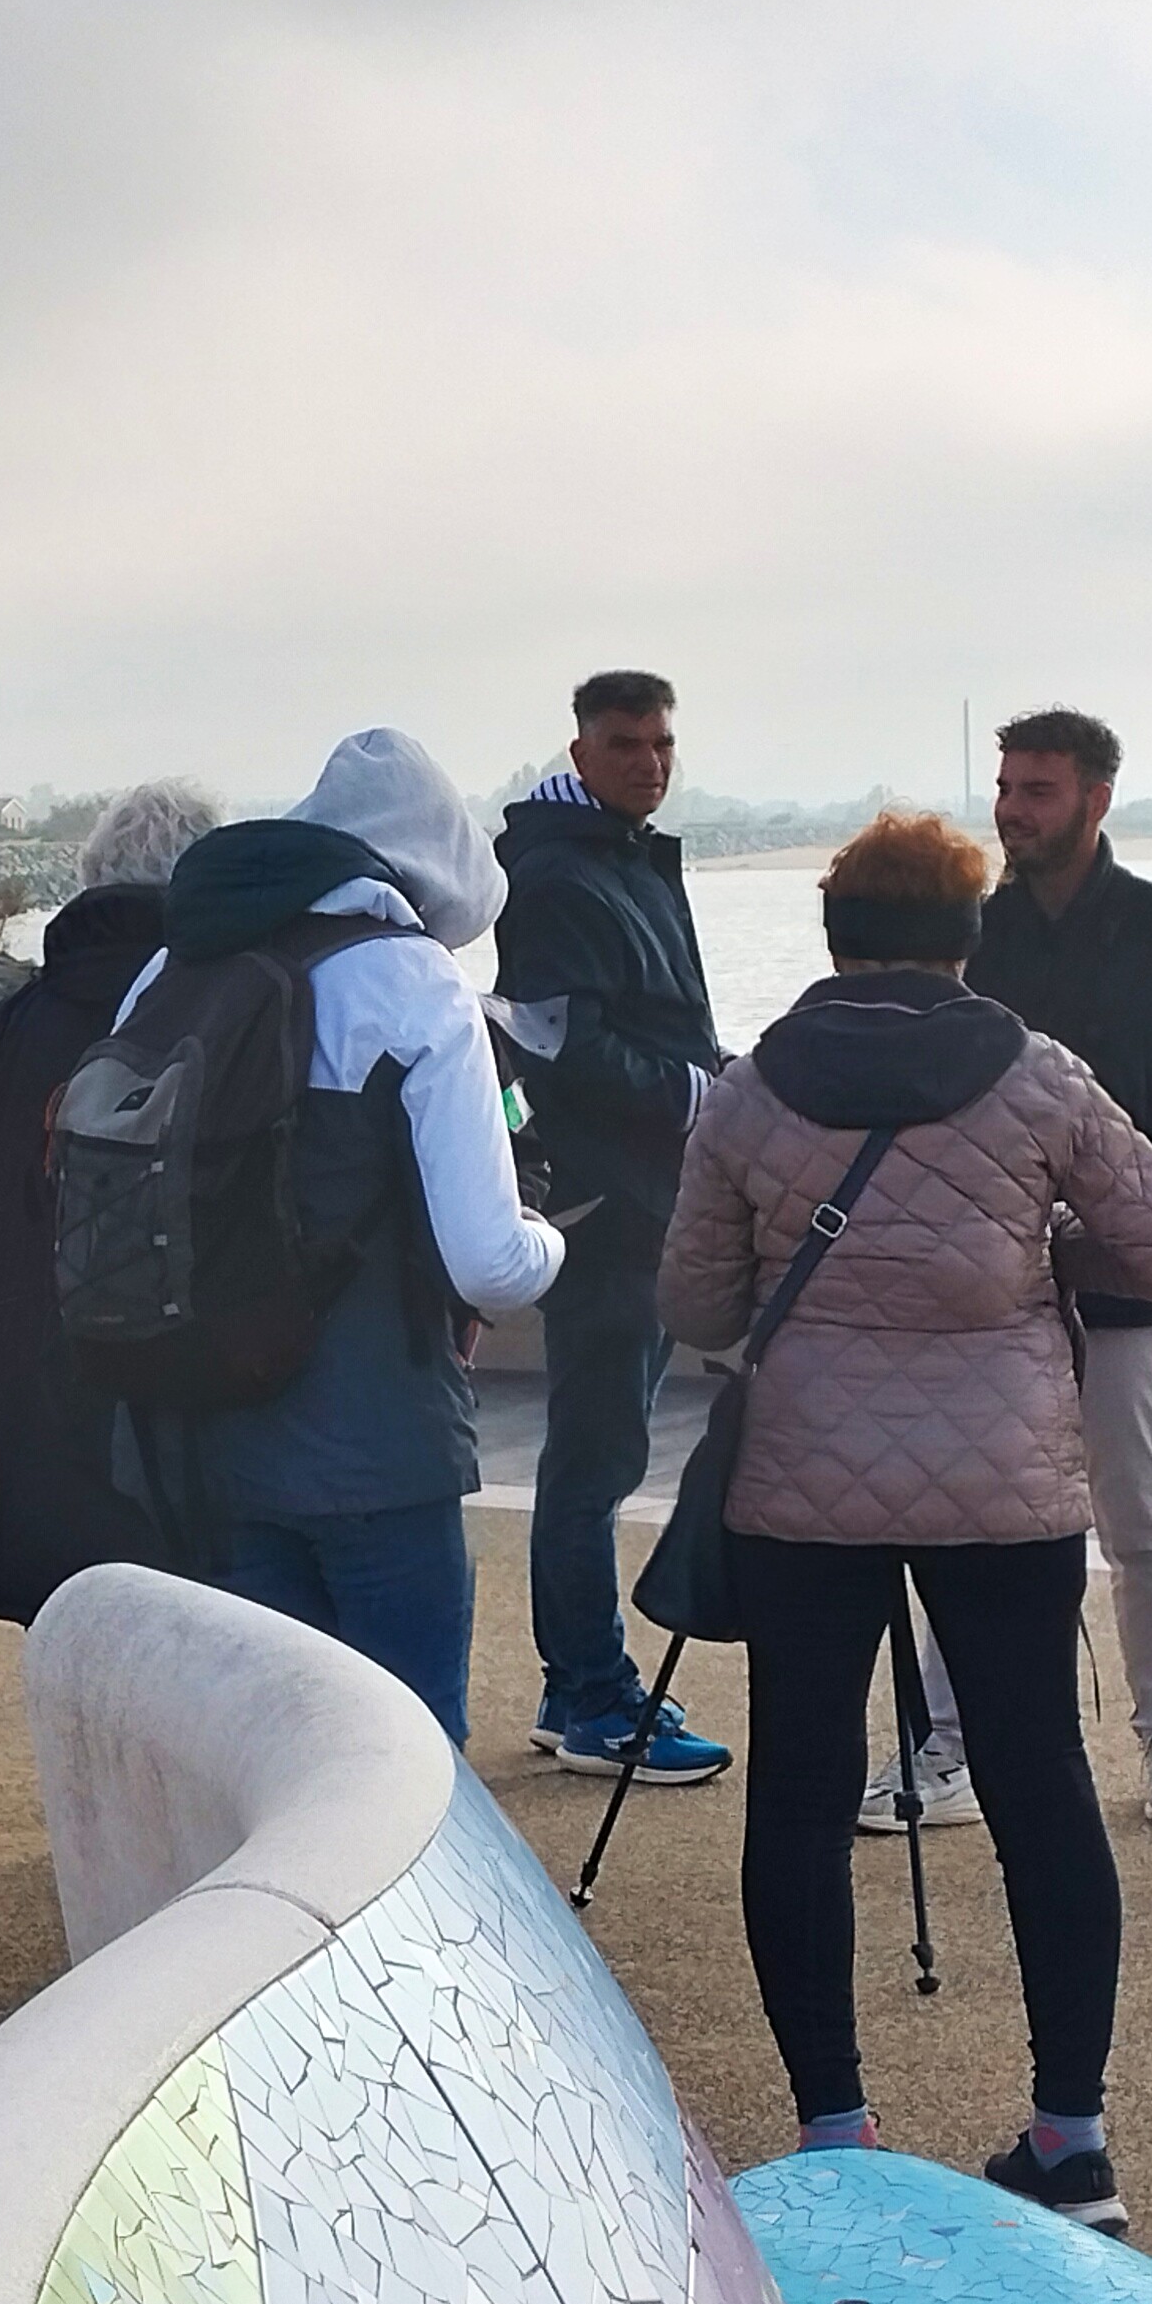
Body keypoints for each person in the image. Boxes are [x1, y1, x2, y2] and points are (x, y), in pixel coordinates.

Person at [658, 812, 1152, 2230]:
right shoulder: (1037, 1081)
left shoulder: (747, 1091)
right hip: (1002, 1487)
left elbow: (697, 1306)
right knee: (1039, 1781)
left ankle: (834, 2129)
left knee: (798, 1787)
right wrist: (1042, 1244)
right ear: (967, 944)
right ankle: (1069, 2135)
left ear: (833, 935)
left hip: (802, 1489)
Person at [120, 730, 563, 1740]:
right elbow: (490, 1263)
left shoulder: (172, 967)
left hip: (204, 1423)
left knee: (280, 1755)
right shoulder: (415, 983)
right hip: (377, 1441)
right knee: (408, 1762)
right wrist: (551, 1240)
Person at [968, 705, 1152, 1827]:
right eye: (1007, 788)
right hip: (986, 1284)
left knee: (1140, 1519)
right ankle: (944, 1745)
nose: (1013, 810)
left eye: (1037, 790)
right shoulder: (974, 937)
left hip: (1124, 1279)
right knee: (969, 1518)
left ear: (1095, 798)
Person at [495, 669, 732, 1787]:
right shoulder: (555, 876)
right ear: (579, 749)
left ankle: (573, 1684)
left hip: (642, 1195)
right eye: (626, 743)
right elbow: (559, 1045)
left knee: (597, 1455)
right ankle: (591, 1695)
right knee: (593, 1461)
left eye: (662, 743)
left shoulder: (621, 858)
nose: (649, 761)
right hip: (605, 1207)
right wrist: (702, 1093)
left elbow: (633, 1023)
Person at [0, 779, 221, 1626]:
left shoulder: (13, 1020)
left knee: (76, 1645)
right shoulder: (209, 1006)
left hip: (33, 1395)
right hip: (168, 1391)